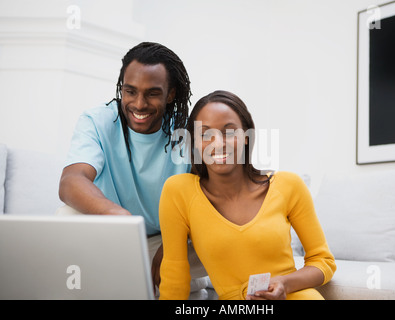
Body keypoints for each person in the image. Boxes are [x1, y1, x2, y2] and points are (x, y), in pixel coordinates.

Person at [159, 90, 336, 300]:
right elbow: (174, 276)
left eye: (229, 131)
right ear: (195, 143)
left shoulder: (289, 185)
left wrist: (283, 283)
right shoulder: (179, 191)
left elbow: (323, 261)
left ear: (246, 136)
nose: (218, 143)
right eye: (205, 134)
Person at [58, 42, 206, 291]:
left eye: (152, 93)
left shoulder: (188, 132)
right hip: (114, 238)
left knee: (217, 237)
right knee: (66, 215)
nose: (139, 104)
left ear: (170, 94)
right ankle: (154, 279)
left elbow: (211, 203)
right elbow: (71, 181)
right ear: (121, 89)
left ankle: (157, 276)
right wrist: (119, 217)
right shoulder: (97, 121)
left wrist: (173, 244)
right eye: (130, 91)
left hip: (166, 240)